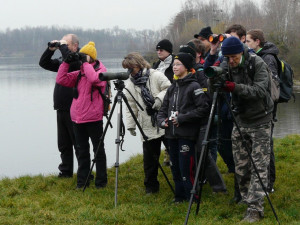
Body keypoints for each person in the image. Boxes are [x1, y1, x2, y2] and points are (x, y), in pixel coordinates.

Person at [209, 36, 273, 222]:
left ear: (242, 53)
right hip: (240, 120)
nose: (231, 61)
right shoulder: (226, 64)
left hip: (260, 119)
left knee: (259, 166)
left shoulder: (257, 63)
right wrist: (214, 80)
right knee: (241, 166)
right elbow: (213, 91)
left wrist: (233, 87)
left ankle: (255, 209)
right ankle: (247, 199)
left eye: (234, 57)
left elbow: (260, 91)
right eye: (227, 58)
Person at [157, 52, 212, 203]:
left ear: (187, 67)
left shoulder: (194, 86)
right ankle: (179, 196)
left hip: (186, 135)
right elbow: (162, 110)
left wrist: (182, 118)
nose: (174, 67)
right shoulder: (171, 88)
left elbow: (203, 109)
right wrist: (162, 121)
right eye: (174, 65)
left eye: (178, 64)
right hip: (171, 135)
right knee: (175, 168)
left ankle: (192, 197)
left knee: (186, 168)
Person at [56, 41, 108, 189]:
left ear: (91, 57)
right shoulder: (79, 73)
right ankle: (82, 182)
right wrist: (66, 63)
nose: (81, 59)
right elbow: (61, 79)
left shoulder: (100, 70)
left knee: (98, 151)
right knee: (82, 151)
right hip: (77, 119)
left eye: (84, 56)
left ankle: (101, 182)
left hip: (94, 118)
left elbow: (94, 79)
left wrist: (85, 64)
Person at [122, 52, 171, 194]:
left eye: (131, 68)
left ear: (138, 65)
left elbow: (169, 88)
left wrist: (158, 100)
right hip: (147, 125)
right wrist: (130, 125)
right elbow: (130, 105)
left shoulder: (155, 75)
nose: (130, 72)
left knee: (174, 153)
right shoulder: (130, 83)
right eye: (127, 69)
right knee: (149, 159)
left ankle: (183, 181)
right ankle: (151, 187)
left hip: (163, 120)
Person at [39, 34, 81, 178]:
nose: (64, 48)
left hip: (75, 108)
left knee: (78, 143)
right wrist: (50, 49)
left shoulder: (79, 59)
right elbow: (43, 63)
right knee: (64, 144)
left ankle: (84, 172)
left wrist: (62, 46)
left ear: (75, 46)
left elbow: (72, 60)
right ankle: (66, 171)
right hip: (61, 108)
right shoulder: (63, 62)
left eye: (67, 45)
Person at [246, 29, 280, 193]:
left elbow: (271, 85)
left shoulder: (267, 58)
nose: (246, 44)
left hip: (267, 108)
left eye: (248, 41)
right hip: (259, 107)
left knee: (267, 147)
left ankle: (269, 184)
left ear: (257, 41)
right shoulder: (257, 56)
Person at [152, 39, 175, 166]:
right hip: (157, 101)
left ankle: (171, 154)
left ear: (168, 51)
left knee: (169, 128)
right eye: (157, 49)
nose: (159, 52)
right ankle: (167, 154)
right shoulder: (155, 65)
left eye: (161, 49)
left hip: (171, 99)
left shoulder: (174, 63)